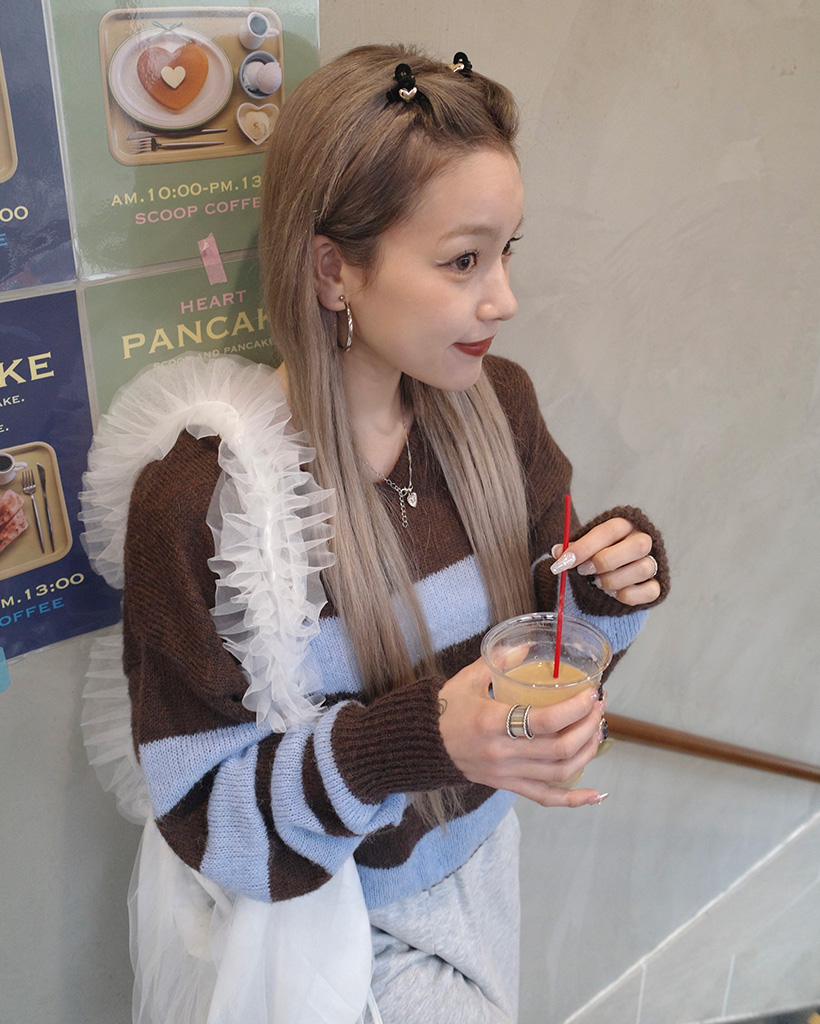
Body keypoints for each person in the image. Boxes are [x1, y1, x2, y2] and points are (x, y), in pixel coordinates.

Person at [80, 44, 669, 1024]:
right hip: (330, 929)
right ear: (333, 270)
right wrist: (412, 742)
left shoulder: (498, 407)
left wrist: (605, 586)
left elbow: (547, 630)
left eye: (506, 252)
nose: (504, 299)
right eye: (462, 260)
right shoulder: (202, 506)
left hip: (484, 864)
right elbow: (207, 816)